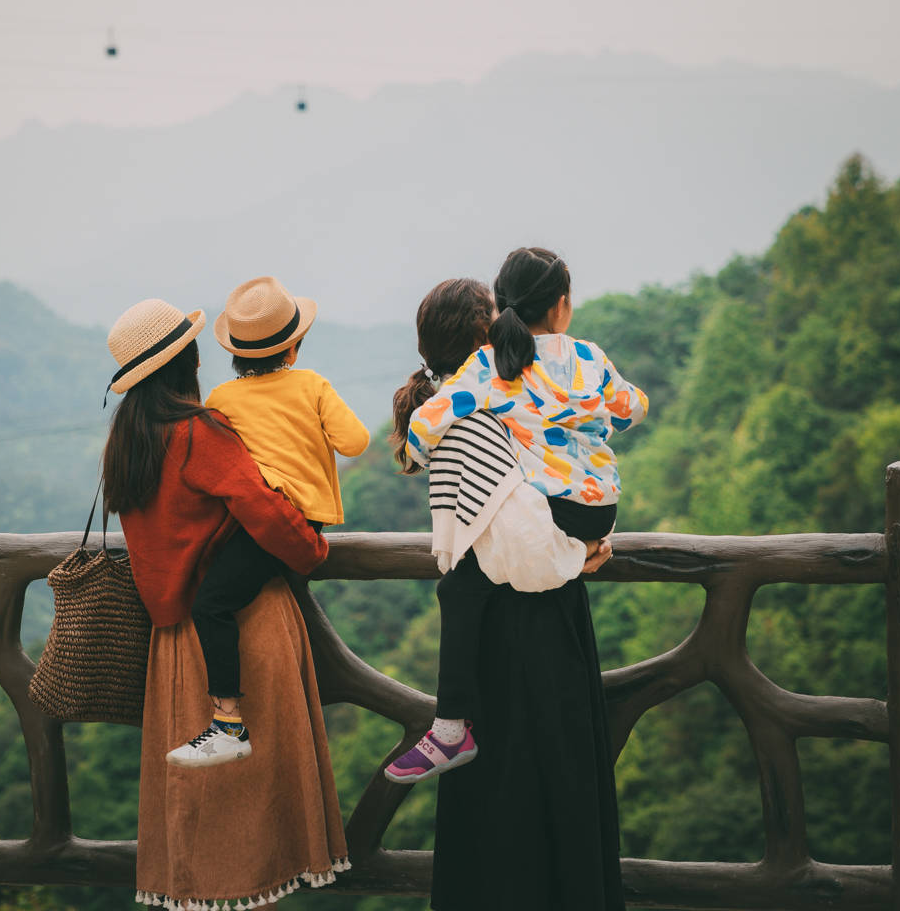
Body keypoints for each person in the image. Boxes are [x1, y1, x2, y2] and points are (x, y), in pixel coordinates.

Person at [101, 298, 350, 908]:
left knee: (196, 812)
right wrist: (314, 551)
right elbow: (263, 508)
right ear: (187, 363)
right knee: (259, 811)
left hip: (173, 643)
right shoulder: (199, 434)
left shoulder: (126, 444)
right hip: (243, 630)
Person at [385, 249, 646, 785]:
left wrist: (417, 448)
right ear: (562, 306)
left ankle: (451, 731)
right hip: (601, 509)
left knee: (456, 589)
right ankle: (453, 731)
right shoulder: (590, 357)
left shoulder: (491, 371)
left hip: (550, 524)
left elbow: (427, 423)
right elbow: (632, 408)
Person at [167, 276, 370, 767]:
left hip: (264, 524)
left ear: (236, 352)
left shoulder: (221, 398)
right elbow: (356, 442)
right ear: (293, 348)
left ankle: (229, 724)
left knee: (211, 604)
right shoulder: (313, 385)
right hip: (305, 524)